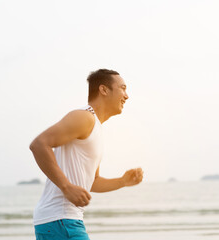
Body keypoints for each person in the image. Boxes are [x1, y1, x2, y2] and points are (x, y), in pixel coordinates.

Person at [29, 69, 144, 240]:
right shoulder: (84, 118)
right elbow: (39, 144)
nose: (127, 96)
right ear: (104, 90)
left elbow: (93, 182)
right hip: (61, 219)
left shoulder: (96, 127)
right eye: (123, 88)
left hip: (64, 220)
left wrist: (122, 182)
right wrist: (66, 187)